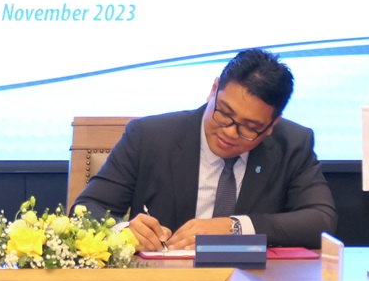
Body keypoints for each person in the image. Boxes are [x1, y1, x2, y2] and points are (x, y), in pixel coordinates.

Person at [73, 48, 337, 250]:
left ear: (271, 125)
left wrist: (235, 227)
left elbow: (321, 220)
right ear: (213, 90)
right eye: (225, 113)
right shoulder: (148, 136)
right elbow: (86, 207)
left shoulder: (292, 144)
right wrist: (124, 231)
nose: (230, 133)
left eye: (249, 127)